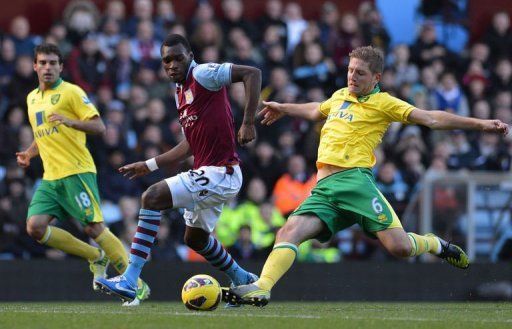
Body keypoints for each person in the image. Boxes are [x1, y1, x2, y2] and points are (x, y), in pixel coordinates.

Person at [226, 46, 510, 306]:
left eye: (359, 73)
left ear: (376, 77)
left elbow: (432, 118)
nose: (352, 76)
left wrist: (480, 124)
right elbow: (316, 110)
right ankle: (262, 287)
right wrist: (285, 108)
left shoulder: (384, 103)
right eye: (350, 70)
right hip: (324, 188)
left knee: (399, 247)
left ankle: (435, 243)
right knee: (288, 231)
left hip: (355, 183)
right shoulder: (340, 96)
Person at [95, 34, 262, 304]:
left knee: (151, 197)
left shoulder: (205, 74)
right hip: (213, 174)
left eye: (177, 58)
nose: (172, 65)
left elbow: (252, 73)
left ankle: (129, 279)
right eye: (166, 61)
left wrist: (248, 121)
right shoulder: (179, 94)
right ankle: (243, 279)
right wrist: (148, 165)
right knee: (195, 238)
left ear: (191, 57)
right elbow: (189, 145)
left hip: (222, 172)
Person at [16, 43, 150, 306]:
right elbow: (43, 133)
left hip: (77, 171)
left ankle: (135, 284)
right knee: (35, 227)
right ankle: (95, 256)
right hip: (51, 177)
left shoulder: (72, 93)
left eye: (53, 63)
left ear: (61, 67)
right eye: (42, 63)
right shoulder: (32, 98)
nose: (47, 68)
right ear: (34, 66)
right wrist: (30, 153)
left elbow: (99, 126)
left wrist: (70, 121)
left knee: (93, 226)